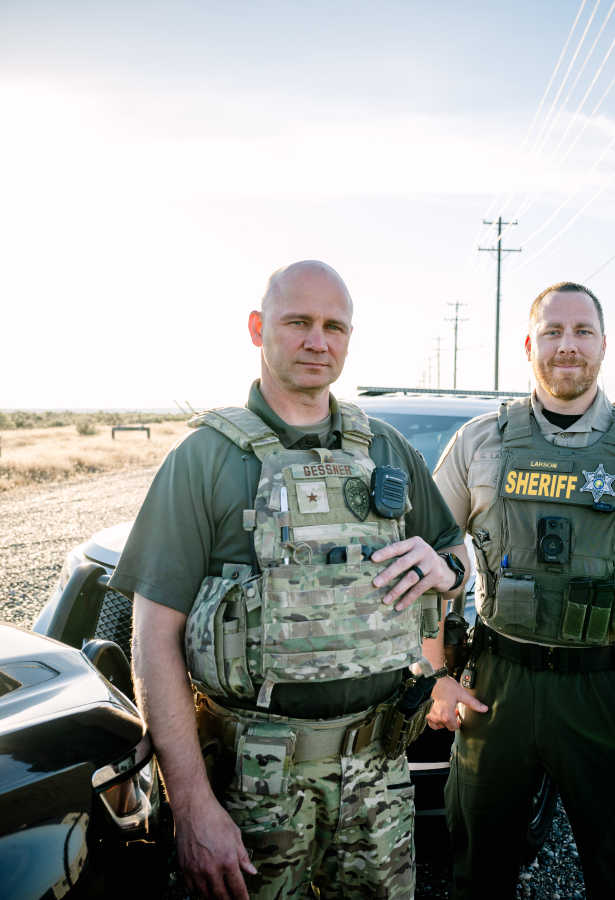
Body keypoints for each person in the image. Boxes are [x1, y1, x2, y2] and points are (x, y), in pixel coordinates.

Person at [109, 260, 477, 900]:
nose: (317, 340)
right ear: (258, 328)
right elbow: (151, 639)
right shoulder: (205, 459)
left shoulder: (385, 448)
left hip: (379, 779)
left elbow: (457, 557)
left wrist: (446, 569)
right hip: (254, 787)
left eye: (334, 326)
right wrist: (193, 808)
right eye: (298, 322)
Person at [430, 281, 615, 900]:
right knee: (476, 876)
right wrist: (435, 672)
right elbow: (427, 560)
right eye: (553, 331)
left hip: (611, 695)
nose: (567, 346)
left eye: (582, 332)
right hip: (499, 688)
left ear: (602, 345)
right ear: (529, 344)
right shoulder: (479, 443)